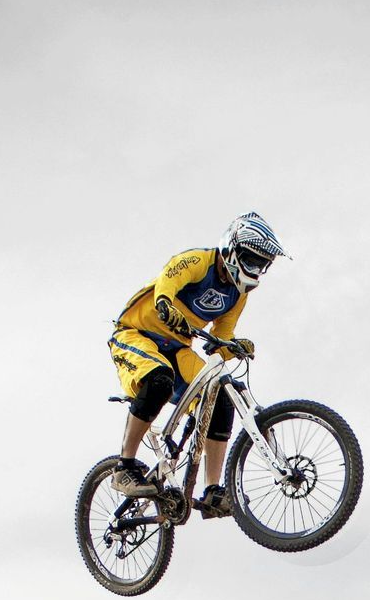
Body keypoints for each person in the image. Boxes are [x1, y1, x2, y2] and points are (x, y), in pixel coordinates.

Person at [106, 212, 287, 515]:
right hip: (137, 333)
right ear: (232, 249)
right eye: (250, 260)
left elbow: (219, 339)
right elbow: (169, 278)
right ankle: (124, 466)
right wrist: (164, 304)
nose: (255, 269)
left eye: (260, 264)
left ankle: (213, 491)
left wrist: (234, 346)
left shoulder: (237, 296)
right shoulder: (199, 262)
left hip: (177, 348)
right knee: (159, 379)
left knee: (222, 396)